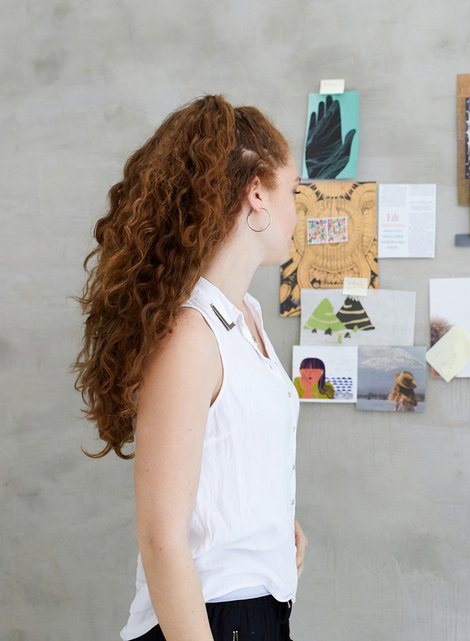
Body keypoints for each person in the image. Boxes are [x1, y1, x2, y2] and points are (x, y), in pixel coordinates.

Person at [74, 95, 308, 641]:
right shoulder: (189, 336)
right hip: (206, 619)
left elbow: (231, 459)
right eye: (293, 192)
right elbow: (161, 537)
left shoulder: (245, 318)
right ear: (257, 194)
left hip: (259, 611)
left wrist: (271, 532)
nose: (299, 212)